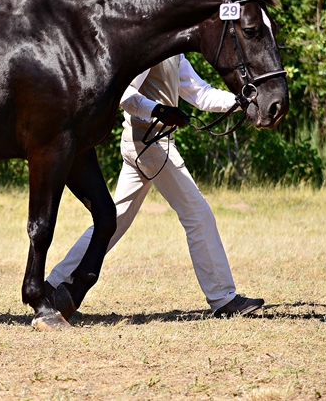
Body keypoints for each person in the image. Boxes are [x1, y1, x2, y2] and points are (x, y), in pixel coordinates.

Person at [45, 54, 264, 319]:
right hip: (152, 145)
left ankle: (54, 283)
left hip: (145, 143)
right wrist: (159, 111)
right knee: (198, 215)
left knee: (113, 221)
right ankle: (223, 299)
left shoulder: (174, 51)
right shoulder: (150, 49)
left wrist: (239, 101)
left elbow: (199, 93)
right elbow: (124, 94)